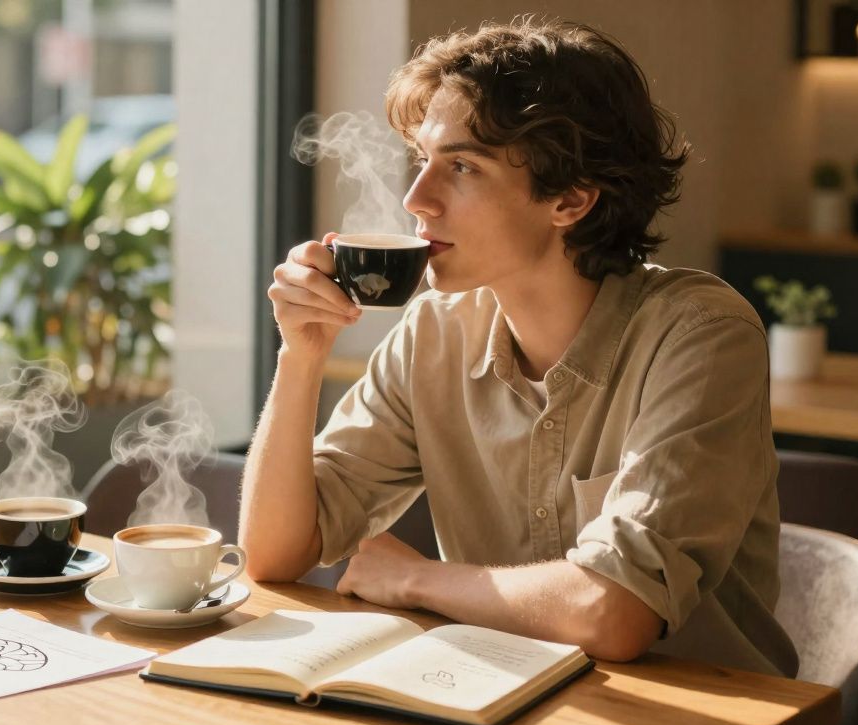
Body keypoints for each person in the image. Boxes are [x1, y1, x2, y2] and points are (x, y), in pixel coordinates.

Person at [239, 17, 798, 677]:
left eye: (462, 166)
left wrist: (418, 581)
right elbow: (274, 554)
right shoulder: (433, 334)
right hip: (503, 699)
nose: (417, 199)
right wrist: (299, 355)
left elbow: (612, 611)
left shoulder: (700, 337)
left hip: (700, 717)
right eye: (423, 161)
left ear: (570, 199)